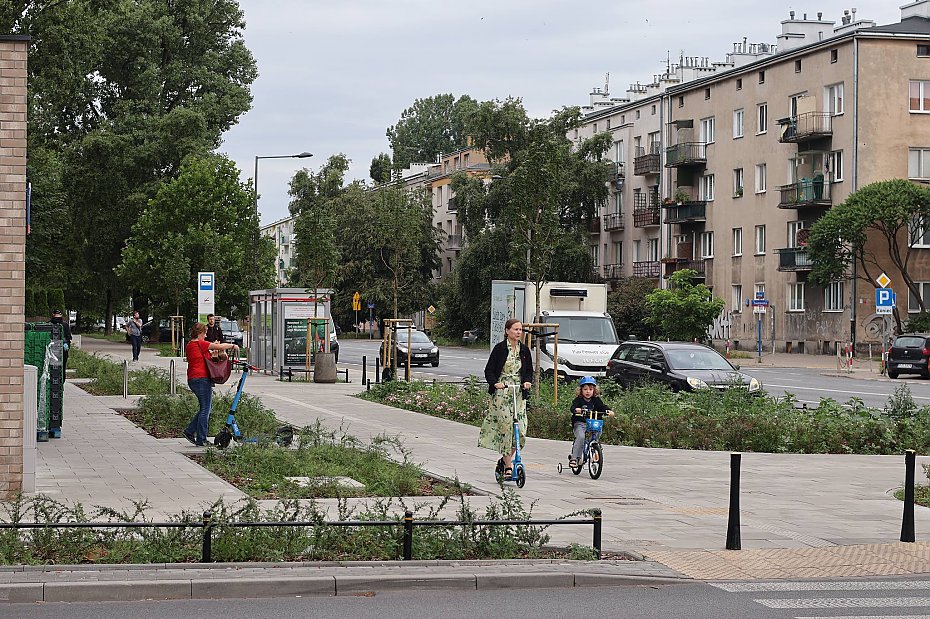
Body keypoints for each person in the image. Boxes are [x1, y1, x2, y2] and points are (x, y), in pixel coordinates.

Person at [479, 318, 533, 478]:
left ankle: (505, 460)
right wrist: (495, 383)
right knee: (506, 429)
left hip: (518, 392)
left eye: (520, 330)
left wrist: (528, 381)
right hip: (502, 394)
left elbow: (529, 370)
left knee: (520, 430)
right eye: (515, 329)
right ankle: (508, 466)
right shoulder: (500, 349)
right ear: (507, 331)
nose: (518, 332)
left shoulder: (524, 350)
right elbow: (489, 370)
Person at [183, 322, 239, 446]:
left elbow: (208, 357)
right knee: (205, 409)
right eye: (205, 333)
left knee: (206, 407)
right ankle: (201, 439)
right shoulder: (199, 343)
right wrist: (232, 346)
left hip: (193, 378)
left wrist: (214, 354)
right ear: (200, 333)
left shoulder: (190, 345)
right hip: (201, 379)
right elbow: (220, 347)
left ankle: (190, 431)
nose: (206, 335)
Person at [568, 376, 614, 468]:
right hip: (580, 423)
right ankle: (574, 458)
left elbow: (602, 407)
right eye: (585, 389)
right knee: (581, 437)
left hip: (593, 422)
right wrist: (577, 410)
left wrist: (608, 411)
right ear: (581, 390)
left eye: (590, 389)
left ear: (594, 390)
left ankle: (594, 447)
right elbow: (573, 408)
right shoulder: (578, 400)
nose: (588, 391)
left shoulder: (596, 400)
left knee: (597, 432)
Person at [50, 309, 72, 379]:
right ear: (61, 315)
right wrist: (66, 344)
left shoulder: (49, 324)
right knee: (62, 366)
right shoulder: (65, 325)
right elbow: (69, 337)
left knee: (52, 366)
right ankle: (61, 381)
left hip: (51, 348)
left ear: (53, 314)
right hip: (62, 348)